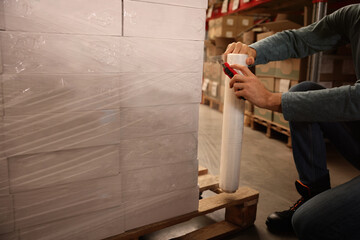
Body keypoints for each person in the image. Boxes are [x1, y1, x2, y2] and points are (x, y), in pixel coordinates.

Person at [224, 4, 360, 240]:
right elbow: (300, 39)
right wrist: (250, 52)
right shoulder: (355, 15)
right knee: (304, 90)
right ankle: (314, 192)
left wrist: (271, 99)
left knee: (311, 225)